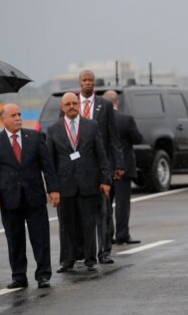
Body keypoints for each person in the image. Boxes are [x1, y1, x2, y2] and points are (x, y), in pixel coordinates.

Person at [0, 104, 61, 289]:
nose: (18, 118)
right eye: (13, 115)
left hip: (34, 196)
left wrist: (53, 189)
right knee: (14, 239)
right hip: (9, 199)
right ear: (3, 119)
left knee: (40, 238)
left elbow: (47, 166)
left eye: (19, 114)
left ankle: (43, 275)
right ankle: (19, 276)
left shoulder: (35, 137)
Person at [47, 92, 111, 273]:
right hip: (64, 185)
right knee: (66, 224)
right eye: (67, 104)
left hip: (88, 183)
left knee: (89, 222)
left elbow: (101, 155)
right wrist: (52, 189)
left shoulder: (91, 126)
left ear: (79, 105)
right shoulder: (53, 129)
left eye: (74, 103)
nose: (71, 107)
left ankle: (90, 259)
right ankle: (67, 260)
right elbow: (50, 162)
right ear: (62, 107)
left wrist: (105, 179)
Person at [77, 70, 124, 265]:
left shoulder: (104, 106)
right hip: (78, 168)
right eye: (84, 80)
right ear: (79, 83)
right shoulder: (71, 105)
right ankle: (81, 252)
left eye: (91, 81)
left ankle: (104, 251)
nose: (88, 83)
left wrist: (118, 164)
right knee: (80, 214)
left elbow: (114, 137)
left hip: (101, 167)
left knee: (103, 212)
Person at [102, 90, 143, 245]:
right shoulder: (126, 120)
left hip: (105, 168)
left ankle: (107, 235)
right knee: (122, 204)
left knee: (106, 204)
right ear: (117, 102)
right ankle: (122, 234)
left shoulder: (97, 121)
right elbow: (138, 138)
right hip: (123, 167)